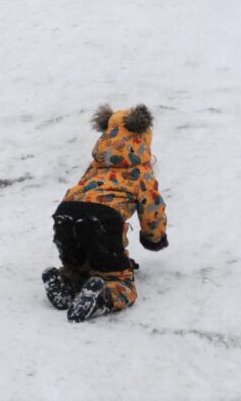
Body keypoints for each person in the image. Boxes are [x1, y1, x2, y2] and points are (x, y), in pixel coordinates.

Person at [42, 104, 168, 322]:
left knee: (79, 265)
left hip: (66, 214)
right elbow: (152, 210)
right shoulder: (141, 172)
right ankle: (103, 294)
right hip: (101, 219)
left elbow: (82, 191)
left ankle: (68, 282)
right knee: (119, 281)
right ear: (142, 138)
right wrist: (154, 239)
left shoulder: (96, 166)